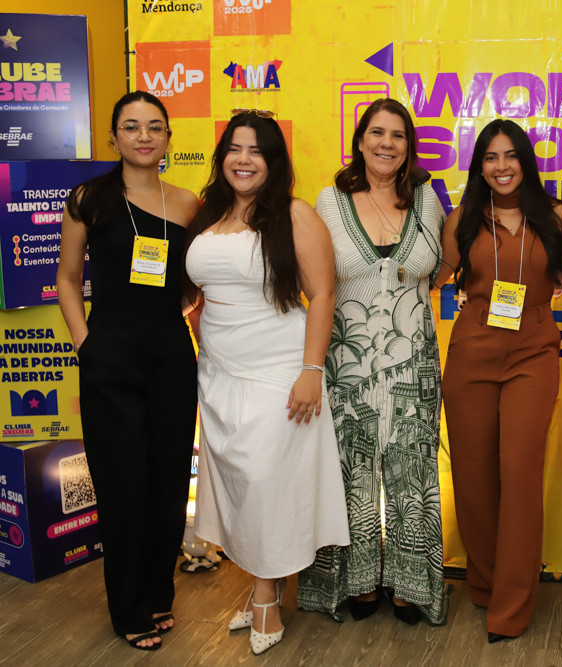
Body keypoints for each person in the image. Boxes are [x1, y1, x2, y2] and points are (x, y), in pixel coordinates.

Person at [185, 111, 349, 655]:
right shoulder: (206, 213)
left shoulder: (294, 215)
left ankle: (264, 598)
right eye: (235, 148)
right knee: (238, 484)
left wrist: (311, 371)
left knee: (267, 483)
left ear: (274, 161)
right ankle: (265, 582)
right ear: (222, 157)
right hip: (218, 371)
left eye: (256, 150)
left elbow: (322, 294)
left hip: (280, 369)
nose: (244, 159)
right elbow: (197, 289)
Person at [297, 98, 449, 626]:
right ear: (360, 141)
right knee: (349, 470)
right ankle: (355, 581)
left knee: (412, 472)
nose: (387, 144)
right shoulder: (329, 201)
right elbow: (313, 281)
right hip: (346, 364)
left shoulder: (427, 201)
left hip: (414, 364)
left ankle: (409, 585)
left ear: (409, 146)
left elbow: (439, 269)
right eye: (377, 133)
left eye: (398, 135)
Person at [56, 91, 199, 651]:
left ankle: (158, 595)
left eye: (155, 126)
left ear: (168, 138)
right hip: (108, 357)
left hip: (170, 357)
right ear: (114, 136)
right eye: (132, 126)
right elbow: (68, 278)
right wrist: (86, 345)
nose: (144, 136)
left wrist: (178, 314)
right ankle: (128, 609)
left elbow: (193, 281)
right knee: (123, 485)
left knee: (168, 479)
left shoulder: (187, 203)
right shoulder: (89, 199)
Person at [439, 119, 562, 642]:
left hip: (533, 352)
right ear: (479, 166)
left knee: (519, 475)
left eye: (511, 155)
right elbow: (437, 274)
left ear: (526, 160)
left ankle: (512, 606)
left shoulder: (557, 217)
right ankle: (485, 582)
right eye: (490, 157)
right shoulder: (462, 219)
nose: (502, 167)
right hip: (472, 350)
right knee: (473, 476)